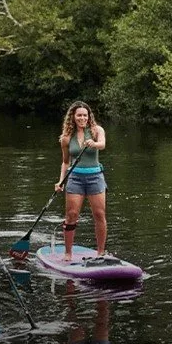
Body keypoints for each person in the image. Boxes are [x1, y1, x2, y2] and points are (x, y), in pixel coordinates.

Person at [54, 101, 107, 261]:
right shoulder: (66, 138)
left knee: (99, 214)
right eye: (79, 115)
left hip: (95, 177)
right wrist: (60, 181)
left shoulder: (97, 130)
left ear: (88, 116)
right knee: (71, 215)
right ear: (73, 117)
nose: (82, 118)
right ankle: (68, 253)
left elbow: (103, 145)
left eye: (85, 115)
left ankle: (101, 252)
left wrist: (94, 144)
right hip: (75, 178)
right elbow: (65, 162)